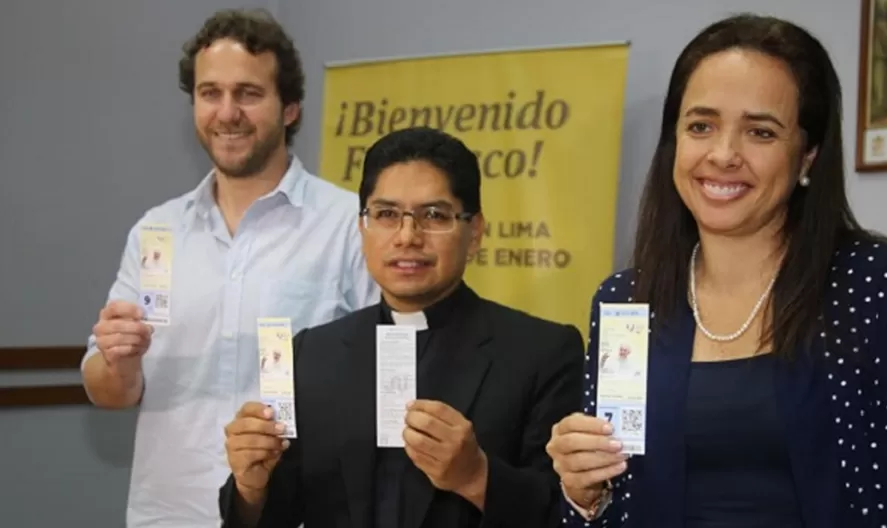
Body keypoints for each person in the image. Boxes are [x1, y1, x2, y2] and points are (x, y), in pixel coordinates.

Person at [545, 13, 887, 528]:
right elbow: (613, 510)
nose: (724, 154)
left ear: (807, 158)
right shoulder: (627, 300)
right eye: (701, 126)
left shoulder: (875, 283)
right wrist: (583, 494)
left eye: (760, 131)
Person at [80, 8, 378, 528]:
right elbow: (110, 392)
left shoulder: (348, 226)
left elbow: (381, 386)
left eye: (248, 93)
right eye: (209, 92)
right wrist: (119, 362)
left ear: (290, 108)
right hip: (168, 512)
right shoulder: (158, 232)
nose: (227, 112)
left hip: (299, 513)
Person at [219, 126, 585, 527]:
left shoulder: (542, 353)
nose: (408, 237)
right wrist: (252, 489)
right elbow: (276, 514)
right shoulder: (311, 355)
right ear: (362, 227)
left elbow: (569, 512)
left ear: (475, 232)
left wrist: (476, 477)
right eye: (387, 215)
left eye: (434, 215)